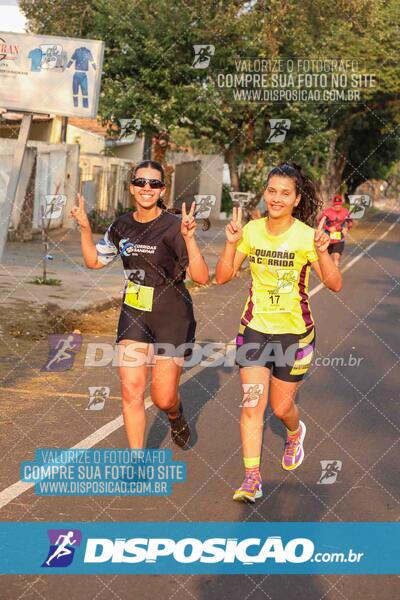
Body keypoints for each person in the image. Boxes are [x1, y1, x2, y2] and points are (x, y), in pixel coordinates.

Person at [215, 161, 342, 503]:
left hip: (295, 336)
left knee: (282, 407)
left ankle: (294, 431)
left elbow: (334, 284)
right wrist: (231, 243)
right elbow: (222, 277)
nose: (277, 198)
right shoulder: (252, 231)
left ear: (297, 199)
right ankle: (252, 478)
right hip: (255, 330)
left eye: (285, 193)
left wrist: (322, 251)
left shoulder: (305, 237)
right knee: (252, 404)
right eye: (272, 191)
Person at [71, 160, 209, 449]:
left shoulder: (174, 227)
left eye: (155, 184)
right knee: (131, 389)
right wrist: (84, 229)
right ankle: (136, 460)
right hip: (134, 313)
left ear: (162, 190)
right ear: (132, 187)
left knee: (162, 397)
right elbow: (94, 261)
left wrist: (189, 238)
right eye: (142, 182)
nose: (147, 188)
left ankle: (175, 414)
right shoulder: (121, 225)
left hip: (172, 315)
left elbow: (202, 277)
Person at [318, 195, 353, 267]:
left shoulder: (345, 212)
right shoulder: (327, 212)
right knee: (326, 258)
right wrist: (328, 228)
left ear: (341, 204)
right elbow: (319, 221)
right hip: (328, 238)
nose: (337, 207)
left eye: (339, 205)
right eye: (335, 205)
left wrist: (346, 228)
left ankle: (335, 273)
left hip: (339, 238)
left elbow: (350, 222)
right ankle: (327, 272)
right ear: (333, 204)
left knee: (336, 257)